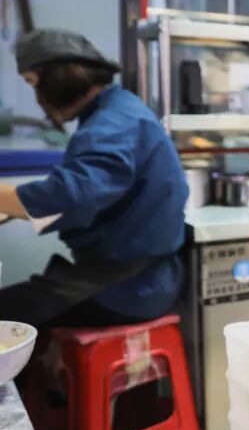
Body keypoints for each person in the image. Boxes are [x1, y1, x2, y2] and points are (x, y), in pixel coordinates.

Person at [0, 29, 188, 327]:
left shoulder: (114, 123)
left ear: (60, 78)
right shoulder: (119, 108)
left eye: (34, 83)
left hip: (130, 287)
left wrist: (11, 201)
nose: (38, 100)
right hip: (134, 274)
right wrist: (17, 206)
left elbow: (70, 196)